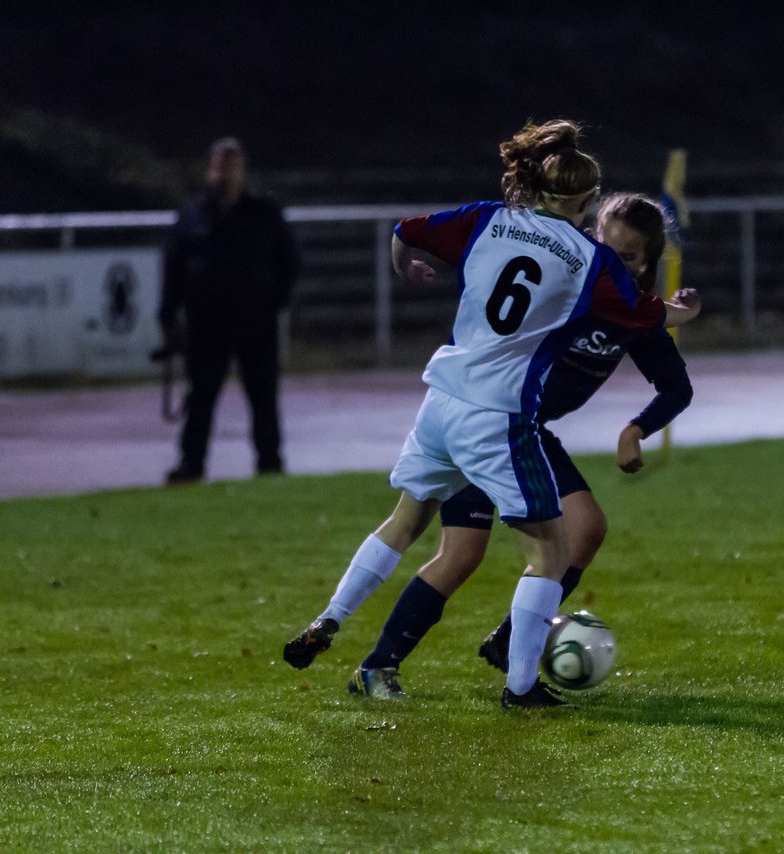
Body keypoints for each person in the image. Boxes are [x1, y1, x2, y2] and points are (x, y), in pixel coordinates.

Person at [282, 120, 666, 708]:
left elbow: (404, 232)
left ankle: (331, 618)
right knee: (551, 553)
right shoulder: (590, 260)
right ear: (586, 202)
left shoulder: (490, 218)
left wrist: (405, 268)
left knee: (407, 520)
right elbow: (643, 316)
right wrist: (677, 314)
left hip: (441, 400)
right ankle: (520, 689)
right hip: (497, 416)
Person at [158, 137, 300, 484]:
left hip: (256, 322)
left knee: (263, 397)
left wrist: (274, 303)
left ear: (242, 172)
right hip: (207, 324)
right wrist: (168, 315)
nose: (225, 175)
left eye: (231, 167)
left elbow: (290, 263)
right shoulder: (192, 215)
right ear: (210, 170)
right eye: (220, 167)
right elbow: (173, 267)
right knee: (201, 397)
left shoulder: (264, 213)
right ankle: (192, 464)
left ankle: (270, 463)